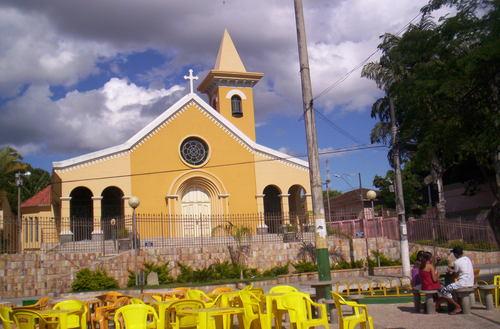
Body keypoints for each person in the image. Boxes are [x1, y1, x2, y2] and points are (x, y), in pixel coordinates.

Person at [437, 246, 474, 314]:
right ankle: (456, 304)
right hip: (470, 282)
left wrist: (451, 271)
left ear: (455, 254)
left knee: (443, 291)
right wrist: (453, 270)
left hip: (462, 283)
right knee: (451, 290)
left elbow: (455, 275)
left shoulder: (457, 262)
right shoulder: (467, 258)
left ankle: (457, 306)